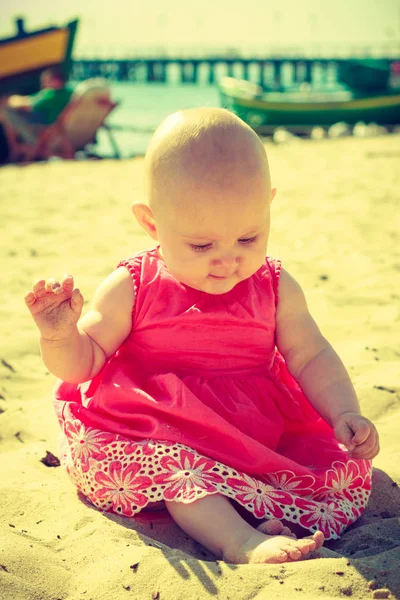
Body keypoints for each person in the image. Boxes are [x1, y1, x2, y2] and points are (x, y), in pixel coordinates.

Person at [24, 108, 379, 565]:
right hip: (156, 429)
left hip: (247, 434)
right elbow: (85, 363)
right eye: (202, 246)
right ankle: (239, 541)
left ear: (268, 206)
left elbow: (310, 356)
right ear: (152, 224)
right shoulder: (134, 284)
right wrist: (59, 336)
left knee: (306, 474)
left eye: (249, 238)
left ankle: (252, 508)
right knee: (183, 476)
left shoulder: (274, 287)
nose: (228, 260)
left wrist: (343, 410)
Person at [1, 67, 72, 144]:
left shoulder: (50, 95)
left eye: (45, 81)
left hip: (50, 130)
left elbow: (25, 105)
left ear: (56, 81)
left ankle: (28, 144)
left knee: (5, 111)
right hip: (63, 128)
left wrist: (11, 99)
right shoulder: (70, 92)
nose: (43, 85)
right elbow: (30, 99)